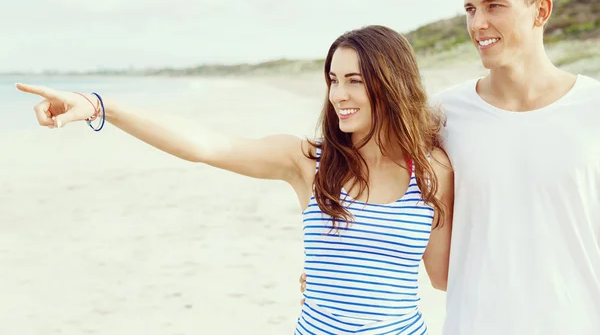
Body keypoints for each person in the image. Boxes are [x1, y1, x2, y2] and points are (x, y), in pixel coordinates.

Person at [16, 25, 454, 334]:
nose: (338, 94)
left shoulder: (433, 172)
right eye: (334, 80)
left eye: (355, 81)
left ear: (391, 84)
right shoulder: (308, 161)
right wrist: (98, 106)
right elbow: (208, 146)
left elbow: (443, 276)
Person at [299, 0, 600, 334]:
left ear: (540, 11)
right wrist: (330, 280)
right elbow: (365, 177)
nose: (477, 24)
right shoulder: (441, 117)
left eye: (495, 6)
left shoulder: (592, 109)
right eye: (470, 9)